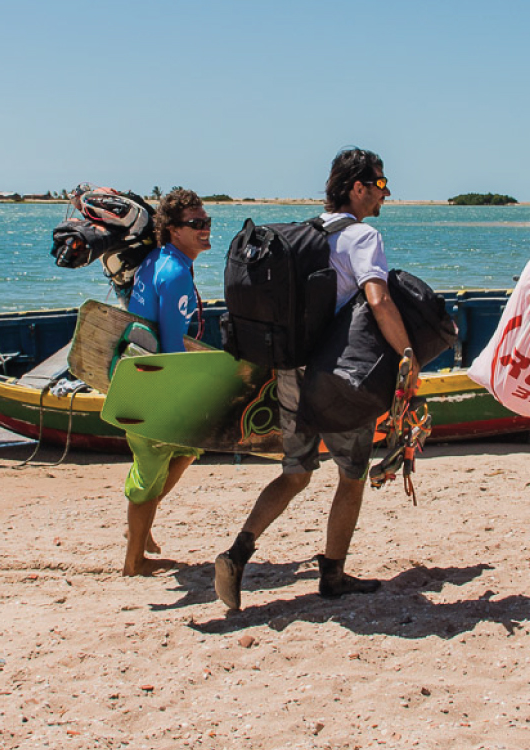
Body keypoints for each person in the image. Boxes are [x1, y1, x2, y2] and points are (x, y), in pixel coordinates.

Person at [213, 148, 417, 612]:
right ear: (358, 188)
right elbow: (379, 300)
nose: (385, 193)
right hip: (336, 377)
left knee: (297, 472)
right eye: (381, 185)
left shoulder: (307, 232)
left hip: (291, 368)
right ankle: (334, 574)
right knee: (352, 474)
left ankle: (237, 553)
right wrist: (407, 356)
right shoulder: (363, 235)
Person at [119, 189, 211, 576]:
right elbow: (173, 347)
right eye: (196, 224)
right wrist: (185, 396)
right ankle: (134, 560)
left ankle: (142, 531)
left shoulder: (158, 259)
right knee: (151, 468)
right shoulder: (174, 274)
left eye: (207, 222)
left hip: (135, 369)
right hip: (152, 383)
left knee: (187, 450)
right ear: (173, 230)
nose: (205, 230)